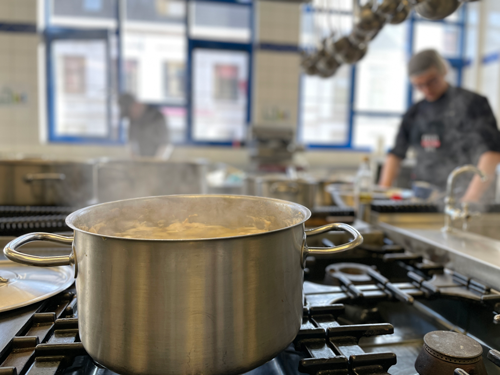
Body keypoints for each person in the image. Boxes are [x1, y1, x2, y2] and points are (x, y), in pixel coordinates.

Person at [379, 49, 500, 202]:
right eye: (419, 85)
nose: (426, 89)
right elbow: (395, 155)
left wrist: (469, 200)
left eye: (431, 81)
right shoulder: (414, 112)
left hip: (466, 196)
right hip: (422, 198)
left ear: (444, 70)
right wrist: (381, 194)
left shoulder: (473, 104)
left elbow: (492, 154)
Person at [118, 93, 170, 158]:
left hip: (157, 161)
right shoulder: (132, 120)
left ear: (136, 105)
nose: (130, 116)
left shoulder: (157, 117)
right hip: (140, 163)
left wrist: (156, 162)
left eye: (130, 112)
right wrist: (135, 160)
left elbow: (165, 144)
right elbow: (131, 143)